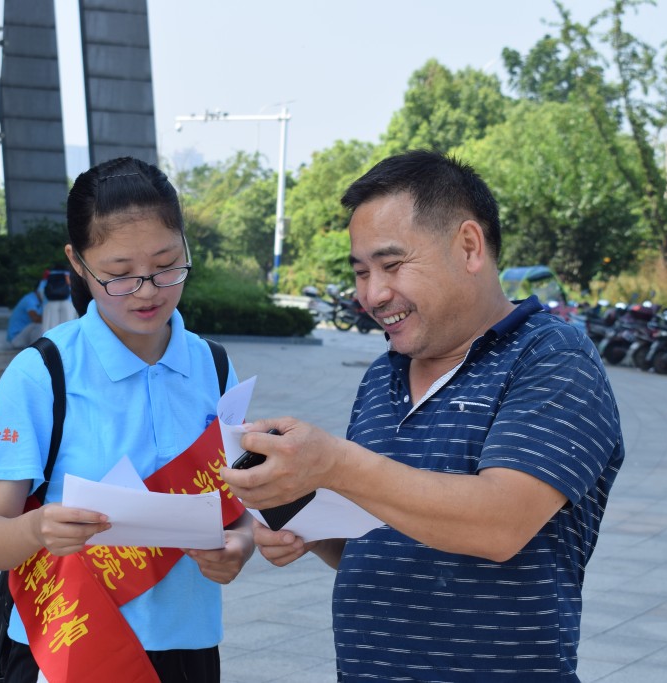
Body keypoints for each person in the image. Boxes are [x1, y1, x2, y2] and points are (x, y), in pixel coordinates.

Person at [222, 150, 624, 682]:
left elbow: (500, 524)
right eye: (361, 272)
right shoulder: (382, 376)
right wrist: (310, 530)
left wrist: (334, 464)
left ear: (469, 246)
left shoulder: (553, 357)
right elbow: (383, 537)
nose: (372, 294)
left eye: (391, 265)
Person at [0, 156, 255, 683]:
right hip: (69, 649)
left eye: (167, 265)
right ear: (78, 263)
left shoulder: (213, 367)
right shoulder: (42, 373)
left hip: (188, 649)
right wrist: (36, 528)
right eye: (120, 274)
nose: (148, 290)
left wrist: (242, 545)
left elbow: (235, 507)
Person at [40, 263, 79, 331]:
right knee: (68, 329)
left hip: (50, 304)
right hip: (67, 304)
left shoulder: (48, 276)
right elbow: (75, 289)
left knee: (49, 330)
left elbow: (40, 291)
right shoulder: (67, 274)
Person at [5, 281, 44, 349]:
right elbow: (35, 319)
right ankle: (36, 349)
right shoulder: (30, 300)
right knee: (37, 325)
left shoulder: (41, 301)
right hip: (16, 338)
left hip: (23, 337)